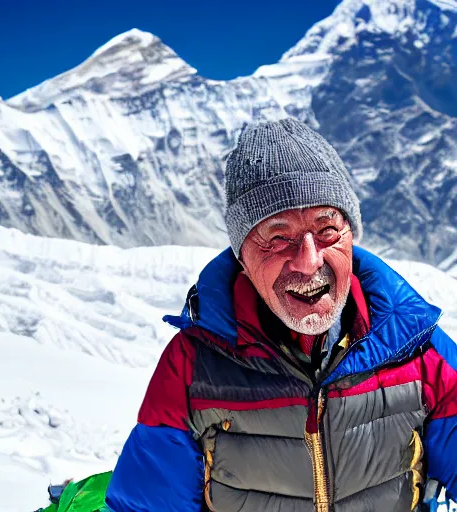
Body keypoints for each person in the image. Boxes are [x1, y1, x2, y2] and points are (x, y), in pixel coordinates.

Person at [105, 118, 457, 512]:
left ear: (351, 236)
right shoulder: (192, 368)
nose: (309, 262)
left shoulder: (421, 353)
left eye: (327, 230)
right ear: (242, 256)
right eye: (278, 237)